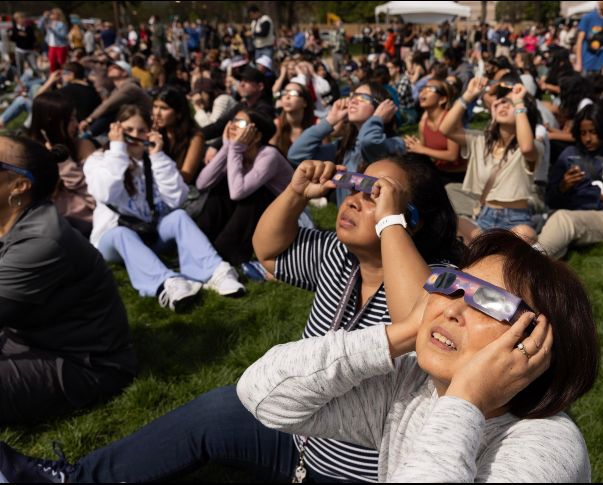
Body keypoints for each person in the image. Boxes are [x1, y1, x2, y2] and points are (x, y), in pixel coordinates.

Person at [0, 154, 464, 484]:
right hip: (295, 432)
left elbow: (417, 322)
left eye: (377, 196)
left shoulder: (439, 281)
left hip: (356, 467)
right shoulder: (335, 255)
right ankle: (74, 478)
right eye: (358, 187)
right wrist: (296, 191)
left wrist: (390, 226)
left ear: (411, 220)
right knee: (219, 407)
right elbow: (269, 249)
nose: (358, 200)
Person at [236, 229, 600, 482]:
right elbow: (264, 394)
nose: (452, 310)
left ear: (537, 342)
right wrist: (401, 334)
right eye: (452, 284)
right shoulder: (413, 387)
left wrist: (466, 400)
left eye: (489, 302)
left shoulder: (547, 447)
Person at [0, 136, 138, 424]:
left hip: (84, 364)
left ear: (19, 186)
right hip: (28, 338)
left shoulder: (41, 240)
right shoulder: (9, 221)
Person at [83, 105, 245, 311]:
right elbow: (105, 193)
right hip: (113, 239)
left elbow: (176, 198)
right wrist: (118, 151)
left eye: (141, 130)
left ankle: (215, 272)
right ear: (116, 130)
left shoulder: (152, 160)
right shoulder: (98, 160)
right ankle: (167, 284)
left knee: (178, 216)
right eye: (129, 130)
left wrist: (158, 157)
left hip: (149, 233)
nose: (135, 136)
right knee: (121, 233)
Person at [440, 76, 540, 242]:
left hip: (516, 220)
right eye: (500, 102)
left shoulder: (534, 146)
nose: (503, 105)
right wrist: (468, 95)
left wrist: (519, 104)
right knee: (456, 225)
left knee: (524, 234)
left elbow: (526, 147)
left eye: (510, 103)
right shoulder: (481, 141)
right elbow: (446, 129)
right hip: (484, 216)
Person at [540, 104, 603, 259]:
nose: (587, 139)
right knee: (528, 226)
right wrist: (562, 187)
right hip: (567, 213)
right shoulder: (569, 154)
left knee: (563, 220)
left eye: (593, 132)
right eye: (583, 133)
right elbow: (549, 199)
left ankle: (527, 264)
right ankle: (525, 264)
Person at [195, 109, 291, 269]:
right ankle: (199, 242)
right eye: (233, 121)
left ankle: (226, 251)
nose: (233, 126)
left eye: (241, 124)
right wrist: (226, 148)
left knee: (256, 194)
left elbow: (238, 193)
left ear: (257, 136)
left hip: (286, 218)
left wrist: (234, 149)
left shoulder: (269, 155)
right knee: (220, 187)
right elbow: (201, 184)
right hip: (254, 216)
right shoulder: (236, 152)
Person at [287, 82, 405, 202]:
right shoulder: (345, 146)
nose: (353, 101)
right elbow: (296, 155)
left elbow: (369, 142)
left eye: (362, 97)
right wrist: (330, 120)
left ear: (381, 107)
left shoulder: (394, 143)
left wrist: (377, 118)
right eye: (352, 96)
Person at [28, 92, 97, 236]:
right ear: (51, 122)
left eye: (75, 117)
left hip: (88, 220)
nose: (76, 124)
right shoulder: (31, 156)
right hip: (50, 227)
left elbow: (94, 194)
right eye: (70, 119)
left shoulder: (82, 146)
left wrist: (61, 159)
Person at [403, 79, 465, 184]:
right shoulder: (423, 124)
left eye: (430, 89)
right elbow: (423, 153)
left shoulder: (450, 120)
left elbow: (452, 156)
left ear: (442, 99)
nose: (423, 92)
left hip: (459, 177)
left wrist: (421, 149)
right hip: (438, 173)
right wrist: (412, 146)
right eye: (423, 88)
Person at [79, 61, 153, 138]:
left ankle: (87, 136)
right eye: (110, 66)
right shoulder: (117, 89)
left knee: (110, 112)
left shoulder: (130, 87)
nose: (110, 68)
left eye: (115, 67)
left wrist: (89, 120)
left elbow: (108, 105)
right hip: (131, 121)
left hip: (141, 124)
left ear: (125, 73)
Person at [152, 87, 205, 184]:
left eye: (164, 108)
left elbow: (186, 177)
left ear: (179, 113)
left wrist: (157, 153)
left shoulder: (194, 137)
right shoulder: (154, 131)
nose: (157, 113)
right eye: (155, 107)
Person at [269, 82, 316, 157]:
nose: (287, 96)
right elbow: (270, 156)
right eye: (284, 92)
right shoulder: (277, 124)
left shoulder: (316, 124)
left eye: (293, 93)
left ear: (304, 102)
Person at [574, 0, 603, 74]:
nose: (601, 1)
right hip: (586, 63)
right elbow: (579, 41)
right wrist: (578, 63)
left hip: (602, 65)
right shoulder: (588, 18)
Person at [10, 12, 40, 78]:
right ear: (16, 20)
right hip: (19, 50)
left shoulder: (28, 28)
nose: (23, 20)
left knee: (34, 66)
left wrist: (26, 35)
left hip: (29, 50)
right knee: (20, 68)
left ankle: (39, 78)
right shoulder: (14, 29)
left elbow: (33, 39)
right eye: (21, 18)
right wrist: (16, 35)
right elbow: (13, 39)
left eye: (23, 18)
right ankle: (21, 82)